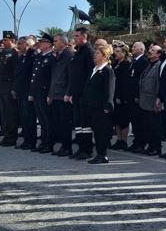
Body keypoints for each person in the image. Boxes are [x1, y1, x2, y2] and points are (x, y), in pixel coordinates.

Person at [83, 45, 116, 164]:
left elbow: (109, 90)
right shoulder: (95, 69)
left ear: (104, 56)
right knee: (96, 130)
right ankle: (99, 153)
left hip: (101, 107)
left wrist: (108, 105)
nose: (94, 55)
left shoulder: (107, 70)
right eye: (95, 53)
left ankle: (102, 154)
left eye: (97, 54)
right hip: (91, 105)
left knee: (101, 131)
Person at [68, 26, 95, 160]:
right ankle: (80, 147)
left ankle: (87, 149)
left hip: (85, 95)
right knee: (78, 123)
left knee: (85, 124)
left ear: (84, 37)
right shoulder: (78, 52)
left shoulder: (89, 52)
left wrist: (86, 94)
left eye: (77, 36)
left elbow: (90, 75)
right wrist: (72, 93)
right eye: (74, 36)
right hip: (77, 95)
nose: (75, 38)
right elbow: (74, 76)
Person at [30, 33, 55, 153]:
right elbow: (34, 76)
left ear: (49, 44)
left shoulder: (52, 57)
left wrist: (50, 94)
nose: (40, 44)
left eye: (43, 42)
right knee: (41, 119)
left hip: (45, 92)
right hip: (37, 92)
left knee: (47, 120)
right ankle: (43, 142)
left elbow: (52, 78)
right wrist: (32, 92)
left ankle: (48, 143)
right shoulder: (39, 56)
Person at [49, 34, 74, 156]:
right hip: (56, 94)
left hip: (64, 94)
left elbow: (71, 76)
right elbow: (54, 77)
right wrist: (50, 94)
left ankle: (67, 147)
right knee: (58, 123)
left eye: (56, 41)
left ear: (63, 42)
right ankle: (63, 147)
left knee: (65, 123)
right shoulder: (57, 56)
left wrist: (68, 93)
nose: (53, 43)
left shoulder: (68, 54)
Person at [0, 31, 20, 147]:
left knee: (10, 115)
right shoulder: (3, 53)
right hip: (1, 88)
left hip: (9, 88)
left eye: (6, 40)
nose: (3, 42)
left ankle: (11, 138)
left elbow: (16, 73)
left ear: (13, 41)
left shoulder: (14, 53)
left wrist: (14, 88)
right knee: (4, 115)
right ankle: (6, 135)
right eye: (3, 40)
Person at [138, 44, 163, 155]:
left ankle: (156, 147)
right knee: (147, 125)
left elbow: (159, 83)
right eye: (150, 49)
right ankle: (150, 145)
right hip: (145, 100)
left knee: (154, 125)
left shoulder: (159, 65)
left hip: (153, 100)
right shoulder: (149, 65)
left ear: (159, 54)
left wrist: (158, 98)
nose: (150, 51)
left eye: (153, 50)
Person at [13, 37, 37, 150]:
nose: (18, 46)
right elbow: (17, 75)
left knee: (29, 118)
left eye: (21, 44)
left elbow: (33, 75)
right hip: (21, 91)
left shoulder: (32, 56)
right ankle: (26, 140)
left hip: (28, 91)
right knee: (23, 118)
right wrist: (15, 88)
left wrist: (31, 92)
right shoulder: (22, 56)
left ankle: (31, 141)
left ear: (27, 45)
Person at [125, 42, 149, 152]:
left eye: (135, 47)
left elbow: (141, 80)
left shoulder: (143, 61)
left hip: (137, 96)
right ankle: (136, 141)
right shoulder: (134, 61)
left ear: (141, 49)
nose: (132, 48)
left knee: (140, 121)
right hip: (130, 96)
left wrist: (137, 95)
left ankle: (141, 142)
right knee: (134, 121)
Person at [111, 45, 132, 151]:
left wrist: (120, 96)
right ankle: (118, 140)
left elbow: (124, 82)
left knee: (123, 119)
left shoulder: (126, 64)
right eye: (115, 51)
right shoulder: (115, 64)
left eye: (119, 51)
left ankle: (124, 140)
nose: (116, 53)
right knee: (117, 119)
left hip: (122, 96)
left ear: (124, 53)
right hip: (114, 94)